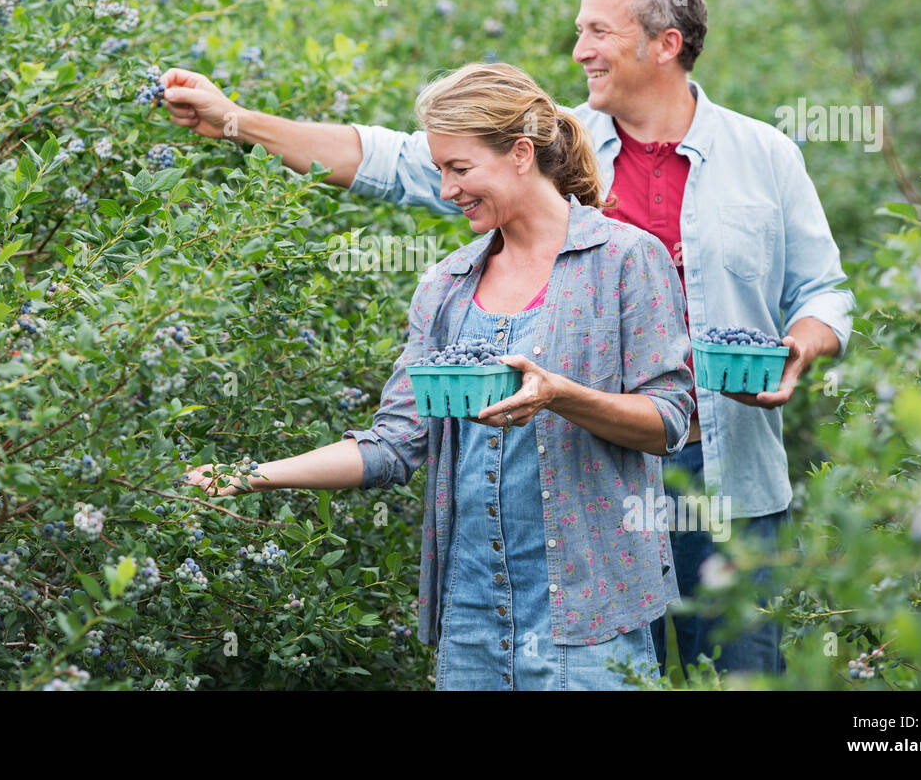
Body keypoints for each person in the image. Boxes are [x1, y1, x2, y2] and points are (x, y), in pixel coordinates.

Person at [163, 0, 855, 677]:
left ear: (665, 43)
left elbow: (824, 289)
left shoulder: (761, 156)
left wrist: (799, 348)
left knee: (739, 675)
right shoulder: (543, 158)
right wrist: (238, 119)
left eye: (597, 31)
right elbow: (399, 160)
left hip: (725, 470)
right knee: (609, 651)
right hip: (592, 485)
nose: (579, 50)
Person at [185, 62, 695, 690]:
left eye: (460, 169)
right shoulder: (447, 285)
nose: (449, 190)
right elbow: (396, 443)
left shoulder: (624, 261)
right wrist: (244, 478)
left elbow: (669, 421)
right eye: (440, 172)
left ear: (519, 154)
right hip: (474, 615)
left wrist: (559, 395)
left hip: (589, 615)